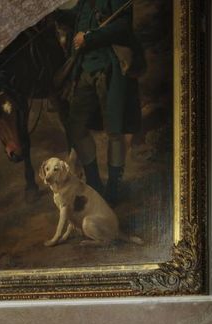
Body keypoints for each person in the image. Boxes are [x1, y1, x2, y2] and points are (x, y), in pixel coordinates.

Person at [55, 0, 144, 206]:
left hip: (111, 69)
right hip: (85, 69)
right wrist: (53, 14)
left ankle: (113, 187)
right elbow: (75, 17)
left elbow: (122, 27)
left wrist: (90, 38)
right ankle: (94, 183)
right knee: (76, 128)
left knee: (114, 130)